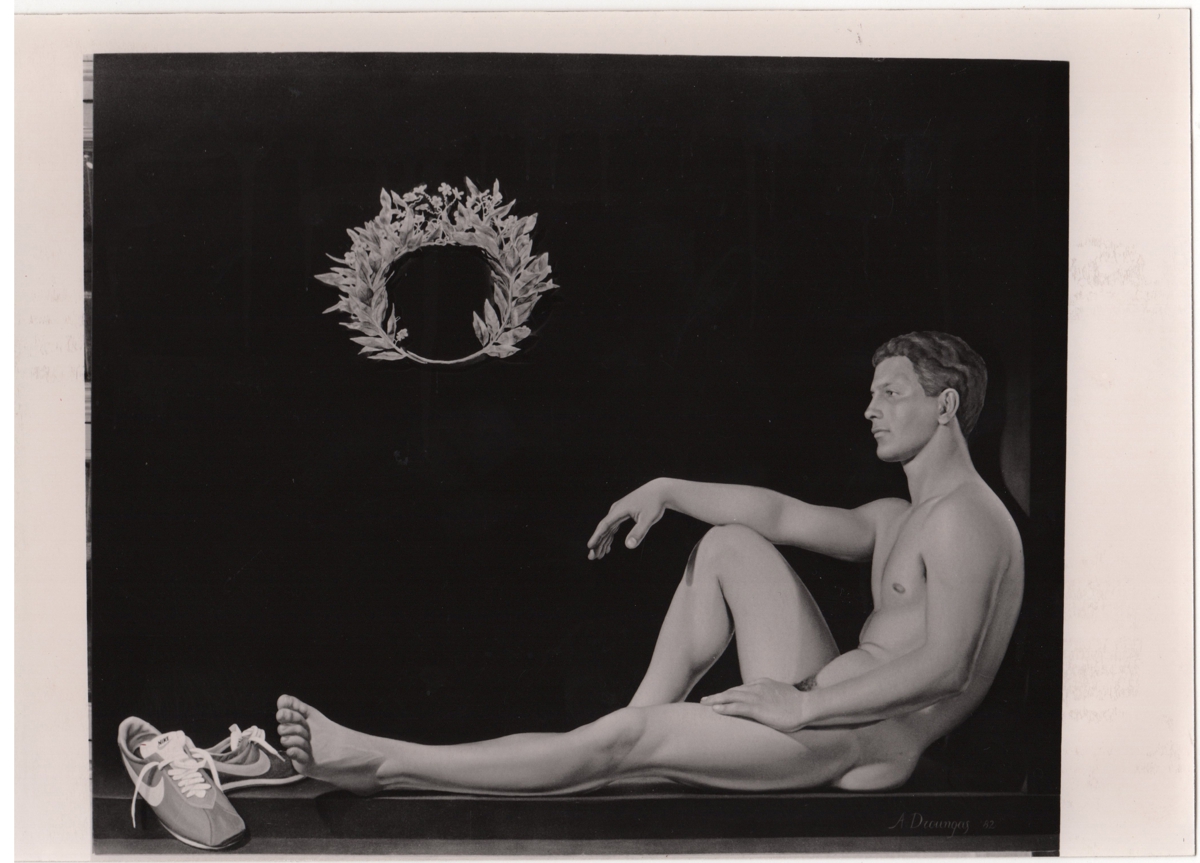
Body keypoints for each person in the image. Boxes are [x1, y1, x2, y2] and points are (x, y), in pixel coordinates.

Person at [276, 331, 1024, 795]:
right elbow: (779, 515)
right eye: (872, 393)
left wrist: (800, 707)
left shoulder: (966, 519)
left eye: (891, 393)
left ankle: (383, 762)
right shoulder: (899, 516)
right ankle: (630, 723)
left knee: (623, 745)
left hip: (860, 738)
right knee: (730, 542)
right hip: (821, 704)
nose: (870, 409)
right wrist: (667, 488)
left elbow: (948, 668)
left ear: (946, 405)